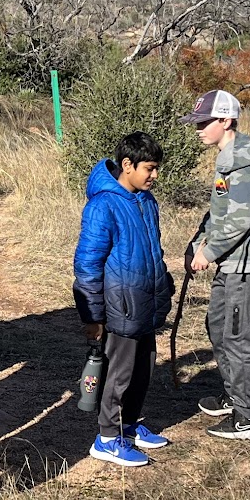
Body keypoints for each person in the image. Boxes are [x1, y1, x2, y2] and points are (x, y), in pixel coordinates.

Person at [73, 130, 176, 468]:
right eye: (150, 168)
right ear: (127, 165)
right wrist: (93, 316)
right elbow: (87, 265)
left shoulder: (147, 201)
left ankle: (128, 427)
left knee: (142, 368)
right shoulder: (102, 205)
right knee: (119, 373)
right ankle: (106, 438)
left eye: (157, 168)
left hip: (144, 302)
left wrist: (164, 283)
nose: (155, 176)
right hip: (120, 306)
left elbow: (153, 250)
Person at [185, 90, 250, 440]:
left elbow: (238, 223)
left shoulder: (242, 165)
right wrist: (199, 240)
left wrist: (208, 253)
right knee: (218, 327)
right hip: (232, 264)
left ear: (226, 121)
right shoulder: (228, 159)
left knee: (236, 339)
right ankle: (234, 396)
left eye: (205, 123)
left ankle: (246, 420)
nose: (199, 130)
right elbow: (220, 213)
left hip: (245, 267)